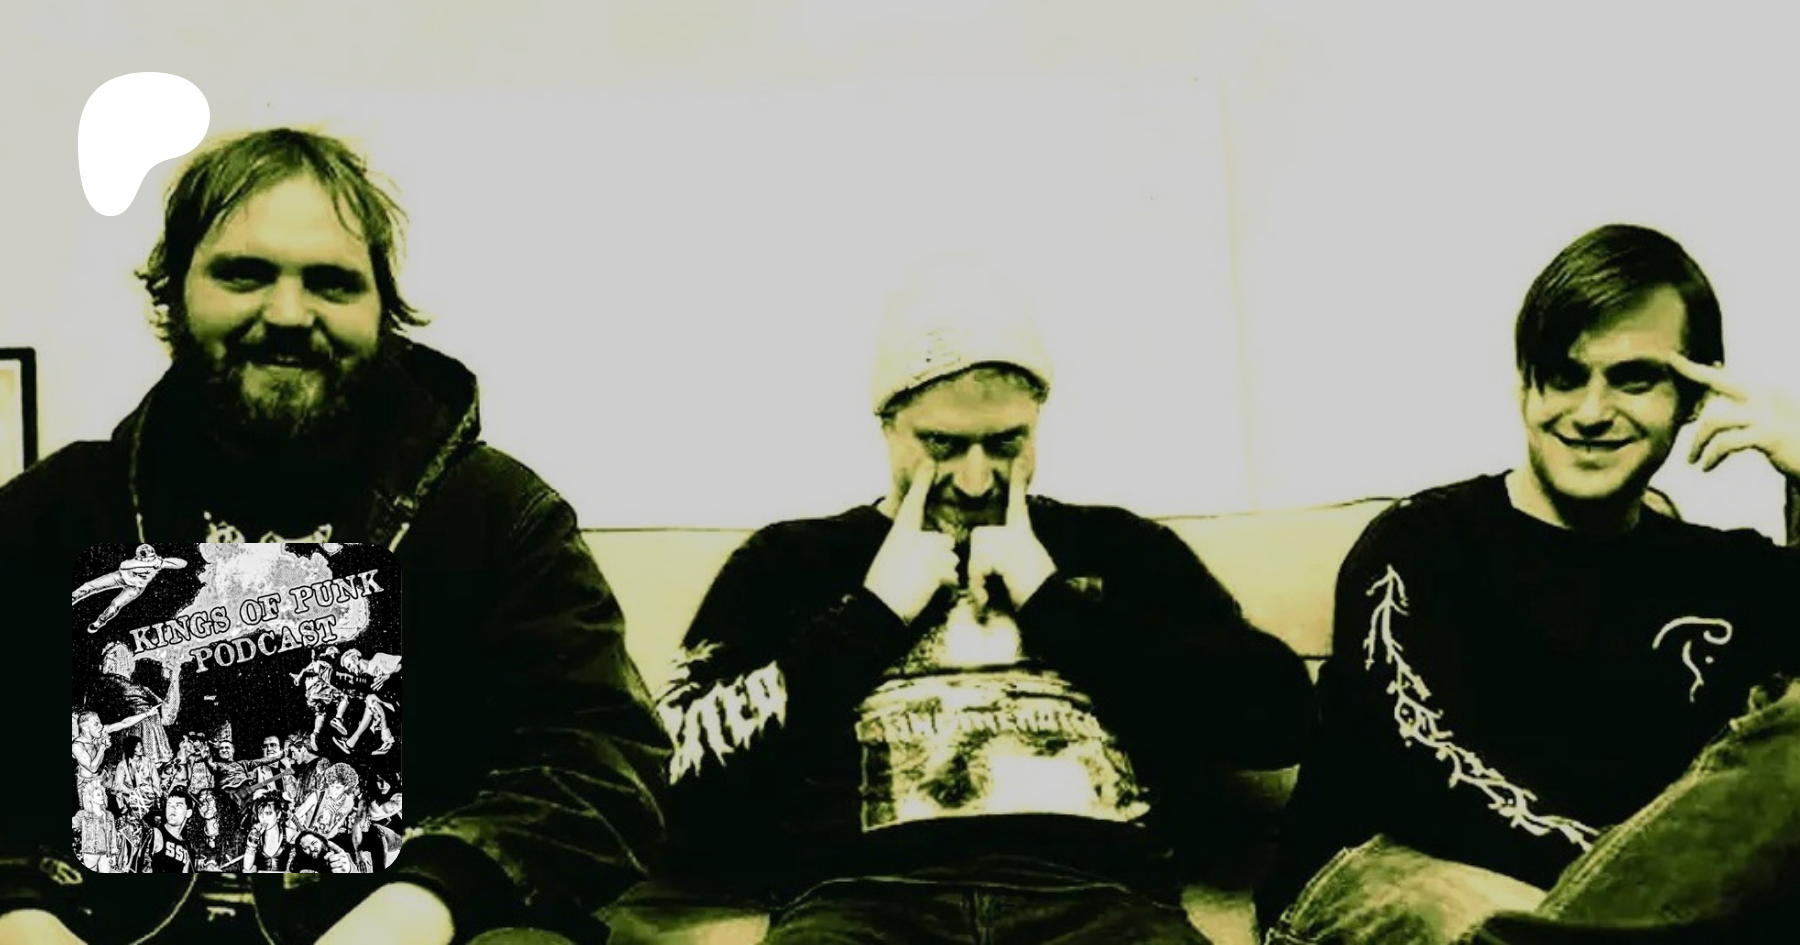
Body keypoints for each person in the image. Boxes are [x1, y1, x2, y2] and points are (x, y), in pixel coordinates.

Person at [0, 127, 668, 944]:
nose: (288, 314)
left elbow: (604, 767)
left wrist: (426, 901)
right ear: (174, 293)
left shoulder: (497, 514)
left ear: (383, 312)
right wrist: (18, 911)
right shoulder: (57, 512)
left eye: (331, 282)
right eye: (244, 274)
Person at [636, 262, 1317, 943]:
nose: (974, 478)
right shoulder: (790, 559)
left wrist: (1053, 603)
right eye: (942, 445)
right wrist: (870, 616)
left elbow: (1280, 718)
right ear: (888, 426)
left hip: (1098, 896)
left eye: (1005, 443)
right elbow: (668, 777)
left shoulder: (1119, 546)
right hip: (863, 901)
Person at [1256, 223, 1800, 944]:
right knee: (1464, 908)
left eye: (1633, 378)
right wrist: (1644, 892)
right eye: (1564, 376)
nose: (1591, 412)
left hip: (1630, 910)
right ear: (1525, 387)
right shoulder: (1421, 543)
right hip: (1394, 872)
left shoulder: (1728, 574)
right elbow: (1431, 783)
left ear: (1697, 393)